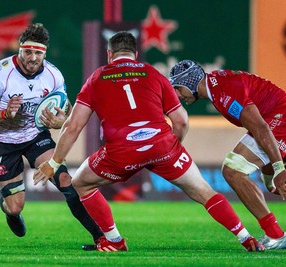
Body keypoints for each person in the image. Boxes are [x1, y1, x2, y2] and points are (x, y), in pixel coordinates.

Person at [33, 31, 264, 252]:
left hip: (121, 152)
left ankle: (114, 240)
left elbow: (73, 127)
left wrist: (54, 162)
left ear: (109, 55)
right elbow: (181, 121)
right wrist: (171, 147)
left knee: (81, 183)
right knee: (204, 191)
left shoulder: (97, 77)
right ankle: (246, 237)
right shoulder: (153, 73)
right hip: (163, 145)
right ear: (135, 55)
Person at [0, 23, 104, 249]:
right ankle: (8, 208)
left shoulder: (53, 75)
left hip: (35, 137)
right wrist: (5, 113)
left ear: (45, 52)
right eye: (28, 52)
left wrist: (61, 120)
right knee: (15, 207)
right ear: (20, 49)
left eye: (38, 53)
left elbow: (67, 108)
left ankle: (101, 238)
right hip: (4, 143)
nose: (33, 58)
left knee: (66, 181)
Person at [168, 59, 286, 250]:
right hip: (275, 117)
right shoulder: (216, 87)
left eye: (179, 88)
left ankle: (275, 234)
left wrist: (279, 167)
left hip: (278, 119)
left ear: (190, 82)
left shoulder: (225, 94)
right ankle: (275, 233)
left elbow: (261, 128)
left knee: (233, 171)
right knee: (272, 184)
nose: (177, 95)